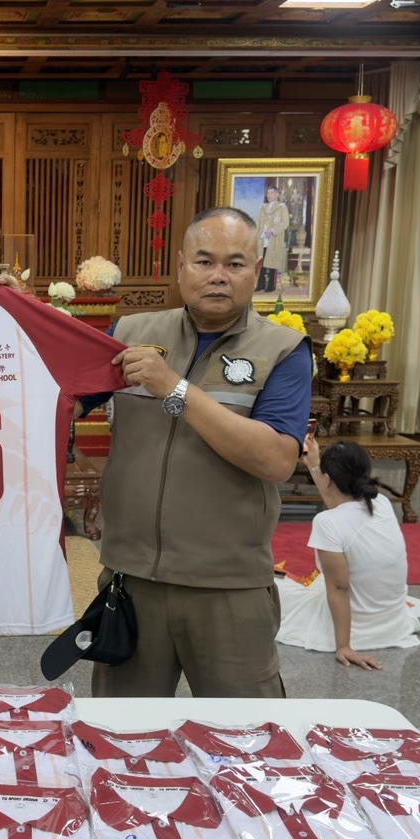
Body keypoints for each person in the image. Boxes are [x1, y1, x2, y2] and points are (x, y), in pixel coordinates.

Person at [90, 206, 313, 698]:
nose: (218, 276)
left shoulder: (283, 350)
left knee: (246, 734)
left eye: (235, 264)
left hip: (228, 589)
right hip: (131, 583)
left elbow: (276, 460)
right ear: (181, 266)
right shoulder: (129, 334)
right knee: (123, 732)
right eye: (204, 261)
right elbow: (52, 388)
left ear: (257, 270)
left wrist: (175, 389)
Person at [276, 435, 420, 669]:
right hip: (392, 623)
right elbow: (339, 505)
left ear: (329, 479)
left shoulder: (327, 522)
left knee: (275, 588)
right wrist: (314, 465)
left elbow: (339, 588)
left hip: (355, 629)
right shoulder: (381, 502)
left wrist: (343, 646)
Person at [256, 185, 290, 294]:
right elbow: (258, 222)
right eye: (268, 193)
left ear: (277, 194)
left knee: (272, 262)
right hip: (263, 238)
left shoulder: (281, 207)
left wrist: (273, 230)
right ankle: (260, 284)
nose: (269, 195)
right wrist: (257, 234)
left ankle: (270, 285)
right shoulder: (263, 207)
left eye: (272, 193)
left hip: (274, 239)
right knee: (261, 261)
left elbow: (285, 222)